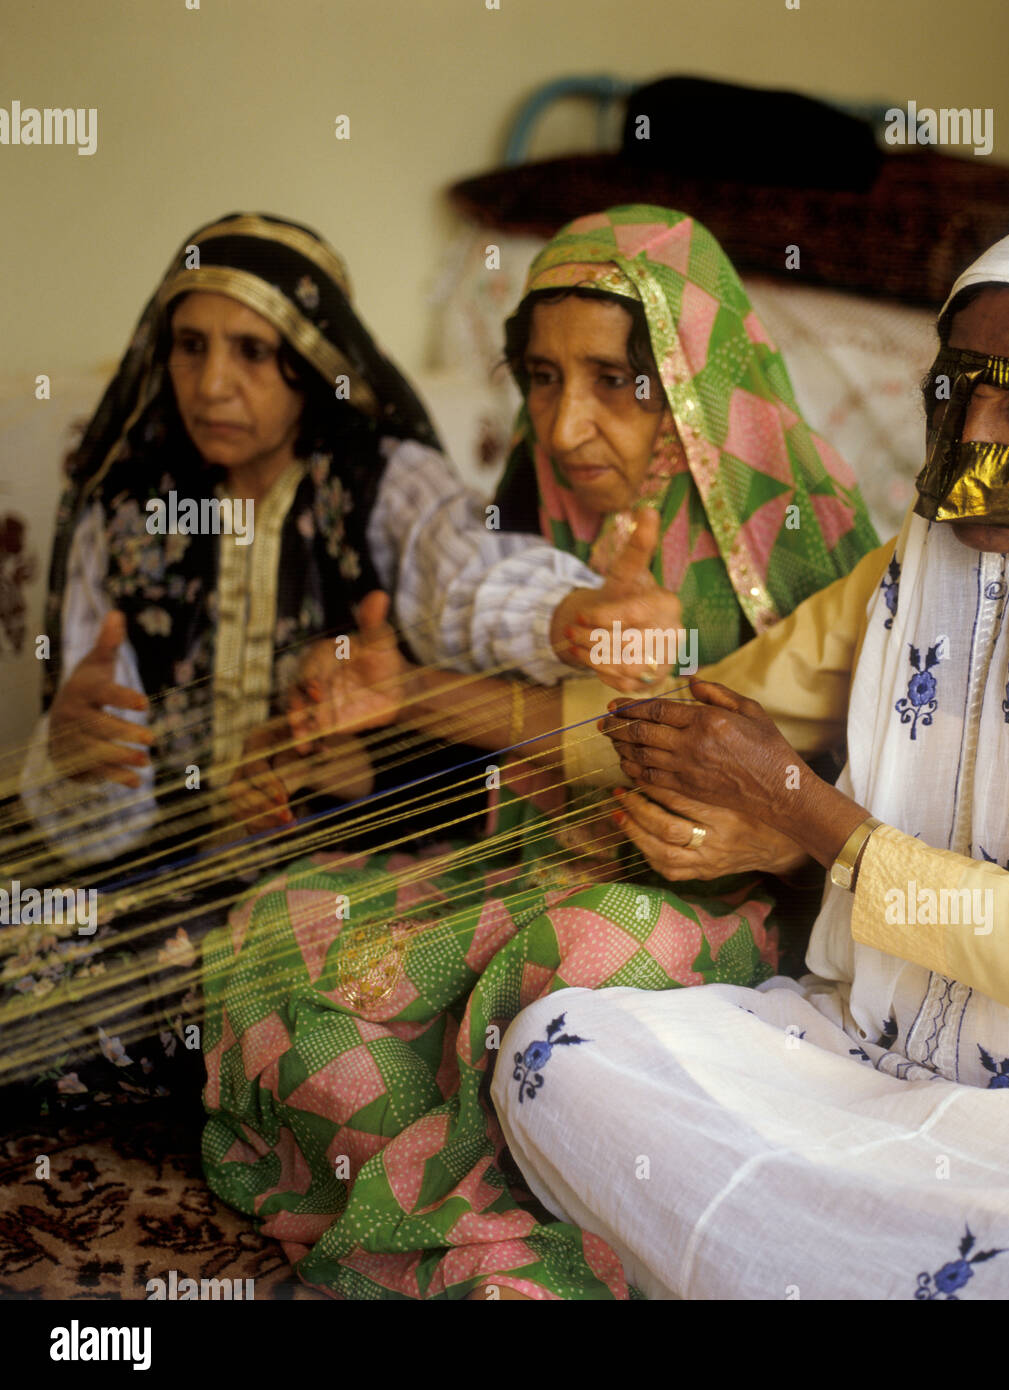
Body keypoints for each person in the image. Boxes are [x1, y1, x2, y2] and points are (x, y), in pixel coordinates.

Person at [495, 219, 1009, 1300]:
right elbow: (710, 716)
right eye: (951, 394)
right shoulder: (907, 568)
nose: (970, 436)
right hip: (863, 1041)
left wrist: (788, 804)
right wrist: (417, 703)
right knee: (555, 1052)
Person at [200, 205, 880, 1299]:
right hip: (537, 866)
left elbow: (838, 788)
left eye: (618, 382)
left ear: (698, 384)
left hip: (728, 910)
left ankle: (454, 1222)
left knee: (578, 955)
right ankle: (483, 1230)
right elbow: (558, 724)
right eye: (542, 378)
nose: (566, 428)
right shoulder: (543, 513)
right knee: (277, 930)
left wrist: (779, 831)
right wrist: (393, 695)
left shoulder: (799, 542)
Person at [3, 211, 671, 1116]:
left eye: (250, 351)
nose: (211, 384)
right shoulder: (125, 511)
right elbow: (106, 820)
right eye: (189, 347)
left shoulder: (383, 482)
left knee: (239, 1009)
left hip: (349, 877)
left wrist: (564, 617)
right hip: (158, 874)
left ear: (313, 360)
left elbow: (462, 578)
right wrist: (77, 757)